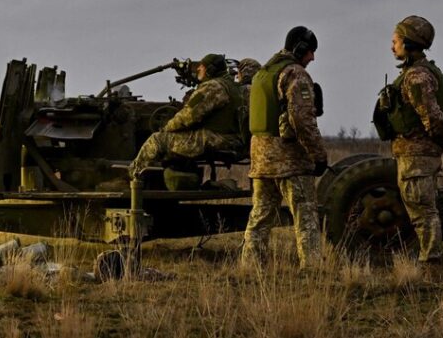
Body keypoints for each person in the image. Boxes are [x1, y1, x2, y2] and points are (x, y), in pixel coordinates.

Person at [241, 27, 328, 269]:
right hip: (289, 160)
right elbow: (302, 120)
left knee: (260, 215)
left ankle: (250, 267)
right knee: (305, 215)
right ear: (300, 48)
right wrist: (318, 155)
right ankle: (312, 269)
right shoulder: (294, 73)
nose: (312, 57)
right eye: (310, 52)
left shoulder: (262, 74)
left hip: (261, 159)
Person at [378, 15, 443, 266]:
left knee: (423, 210)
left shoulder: (416, 76)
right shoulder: (415, 72)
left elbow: (432, 116)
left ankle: (430, 261)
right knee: (421, 208)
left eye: (396, 41)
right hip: (414, 153)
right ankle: (429, 257)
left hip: (417, 154)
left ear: (408, 43)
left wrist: (442, 140)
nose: (392, 47)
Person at [127, 54, 245, 179]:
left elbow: (188, 116)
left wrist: (167, 128)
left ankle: (131, 177)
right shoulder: (233, 87)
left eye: (202, 67)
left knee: (157, 140)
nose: (198, 69)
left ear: (210, 70)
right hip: (231, 139)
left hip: (215, 139)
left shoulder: (213, 87)